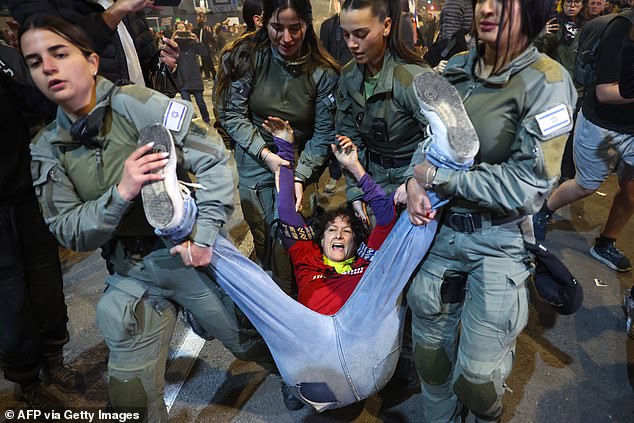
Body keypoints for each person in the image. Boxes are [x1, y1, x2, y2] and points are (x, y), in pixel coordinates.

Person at [19, 15, 272, 422]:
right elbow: (69, 231)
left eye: (59, 53)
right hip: (130, 270)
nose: (47, 67)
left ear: (92, 62)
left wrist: (205, 236)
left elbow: (213, 161)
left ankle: (313, 385)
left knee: (253, 341)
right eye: (33, 61)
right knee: (130, 397)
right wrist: (122, 192)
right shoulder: (47, 148)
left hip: (189, 254)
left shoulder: (141, 105)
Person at [404, 0, 577, 419]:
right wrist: (412, 180)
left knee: (478, 383)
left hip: (500, 239)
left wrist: (437, 180)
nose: (487, 8)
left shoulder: (547, 83)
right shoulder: (459, 67)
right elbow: (430, 142)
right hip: (440, 232)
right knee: (430, 362)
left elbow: (526, 187)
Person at [214, 0, 339, 294]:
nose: (286, 38)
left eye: (295, 28)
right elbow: (231, 113)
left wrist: (298, 175)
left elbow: (323, 134)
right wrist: (266, 155)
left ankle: (294, 308)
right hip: (255, 163)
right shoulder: (245, 57)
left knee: (292, 245)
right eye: (277, 28)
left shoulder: (323, 73)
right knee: (265, 243)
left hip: (299, 164)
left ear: (307, 25)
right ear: (263, 22)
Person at [0, 40, 85, 410]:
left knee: (46, 280)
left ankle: (55, 360)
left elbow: (42, 107)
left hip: (27, 194)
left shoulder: (6, 56)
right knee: (9, 294)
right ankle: (25, 377)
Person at [533, 2, 634, 273]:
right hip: (603, 125)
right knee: (586, 184)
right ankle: (544, 210)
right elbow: (603, 93)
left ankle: (605, 243)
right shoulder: (621, 29)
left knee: (632, 191)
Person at [9, 0, 179, 87]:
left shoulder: (132, 8)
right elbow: (58, 57)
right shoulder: (42, 6)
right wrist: (115, 12)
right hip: (94, 138)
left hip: (142, 125)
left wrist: (165, 65)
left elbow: (148, 77)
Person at [535, 0, 585, 181]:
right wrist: (541, 36)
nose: (572, 6)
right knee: (550, 130)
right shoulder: (554, 24)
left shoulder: (587, 27)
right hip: (555, 87)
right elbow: (537, 52)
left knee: (571, 135)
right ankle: (545, 171)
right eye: (568, 3)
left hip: (578, 89)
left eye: (577, 3)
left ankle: (565, 174)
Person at [172, 21, 212, 124]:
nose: (181, 29)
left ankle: (206, 120)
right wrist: (173, 37)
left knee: (200, 102)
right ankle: (191, 123)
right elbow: (168, 51)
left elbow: (204, 52)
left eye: (182, 27)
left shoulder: (192, 44)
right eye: (178, 28)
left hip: (195, 77)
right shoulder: (175, 46)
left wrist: (197, 40)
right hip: (183, 79)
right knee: (187, 104)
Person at [194, 8, 217, 81]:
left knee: (209, 63)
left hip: (206, 50)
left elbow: (212, 40)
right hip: (199, 50)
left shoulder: (205, 31)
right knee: (201, 64)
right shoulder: (196, 31)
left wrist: (212, 47)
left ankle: (213, 76)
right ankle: (202, 77)